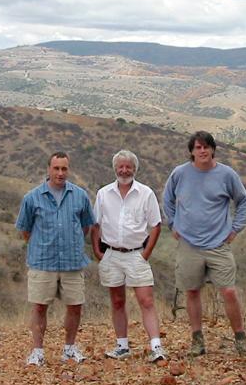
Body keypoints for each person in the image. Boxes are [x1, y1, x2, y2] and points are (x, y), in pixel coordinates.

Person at [163, 131, 246, 358]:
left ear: (213, 149)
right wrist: (174, 224)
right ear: (191, 151)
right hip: (189, 244)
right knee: (192, 292)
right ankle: (197, 341)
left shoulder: (226, 175)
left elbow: (243, 201)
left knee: (228, 291)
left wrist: (235, 229)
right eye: (198, 147)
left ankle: (241, 340)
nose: (202, 151)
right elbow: (167, 199)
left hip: (218, 243)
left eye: (206, 147)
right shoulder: (180, 174)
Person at [15, 152, 95, 366]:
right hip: (43, 261)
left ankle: (69, 349)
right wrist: (44, 244)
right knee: (40, 307)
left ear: (69, 170)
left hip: (72, 261)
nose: (60, 173)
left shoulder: (80, 196)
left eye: (64, 169)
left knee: (75, 306)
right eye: (56, 168)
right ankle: (37, 352)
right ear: (48, 169)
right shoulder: (32, 198)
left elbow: (86, 226)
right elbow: (25, 231)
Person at [91, 150, 166, 362]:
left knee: (146, 300)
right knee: (117, 301)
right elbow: (95, 224)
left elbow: (156, 226)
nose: (124, 170)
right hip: (111, 254)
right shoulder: (104, 193)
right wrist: (97, 251)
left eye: (128, 166)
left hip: (136, 255)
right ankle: (122, 346)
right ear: (115, 168)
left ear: (135, 169)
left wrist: (145, 254)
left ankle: (156, 347)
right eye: (121, 166)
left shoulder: (146, 193)